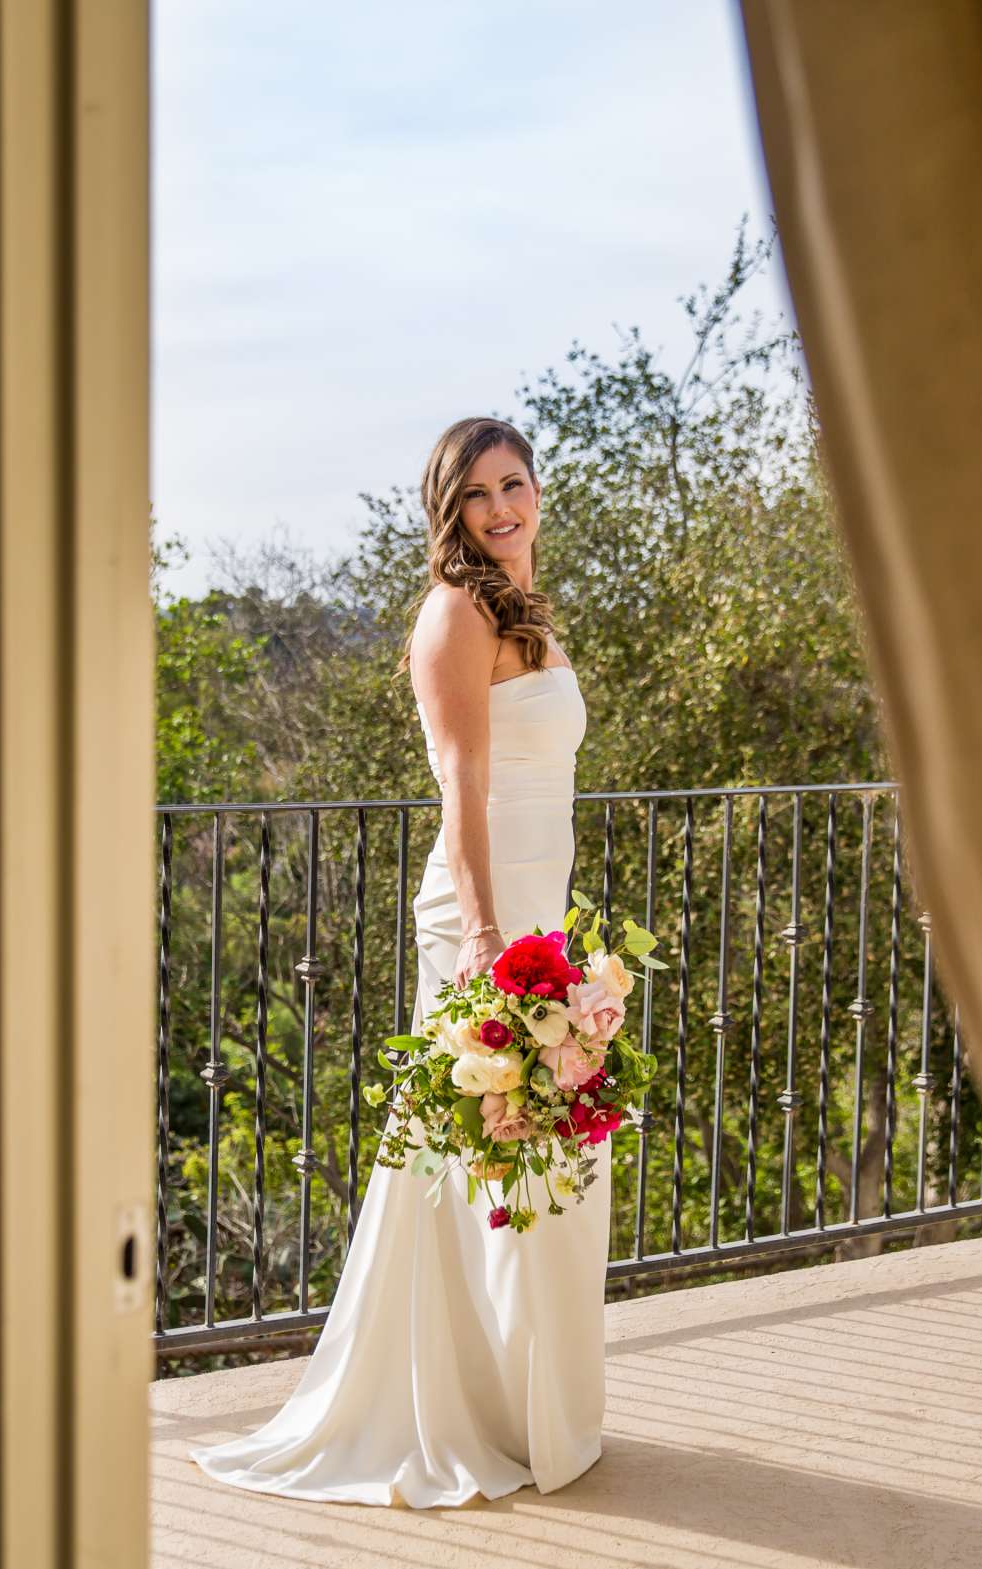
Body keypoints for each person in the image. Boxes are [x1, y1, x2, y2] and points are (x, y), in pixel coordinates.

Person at [191, 416, 606, 1507]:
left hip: (540, 918)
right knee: (472, 1162)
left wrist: (548, 935)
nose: (504, 507)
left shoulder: (532, 615)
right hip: (481, 919)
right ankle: (451, 1410)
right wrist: (484, 940)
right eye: (479, 494)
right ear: (450, 510)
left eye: (516, 483)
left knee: (532, 1164)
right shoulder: (455, 615)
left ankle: (520, 1407)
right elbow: (462, 793)